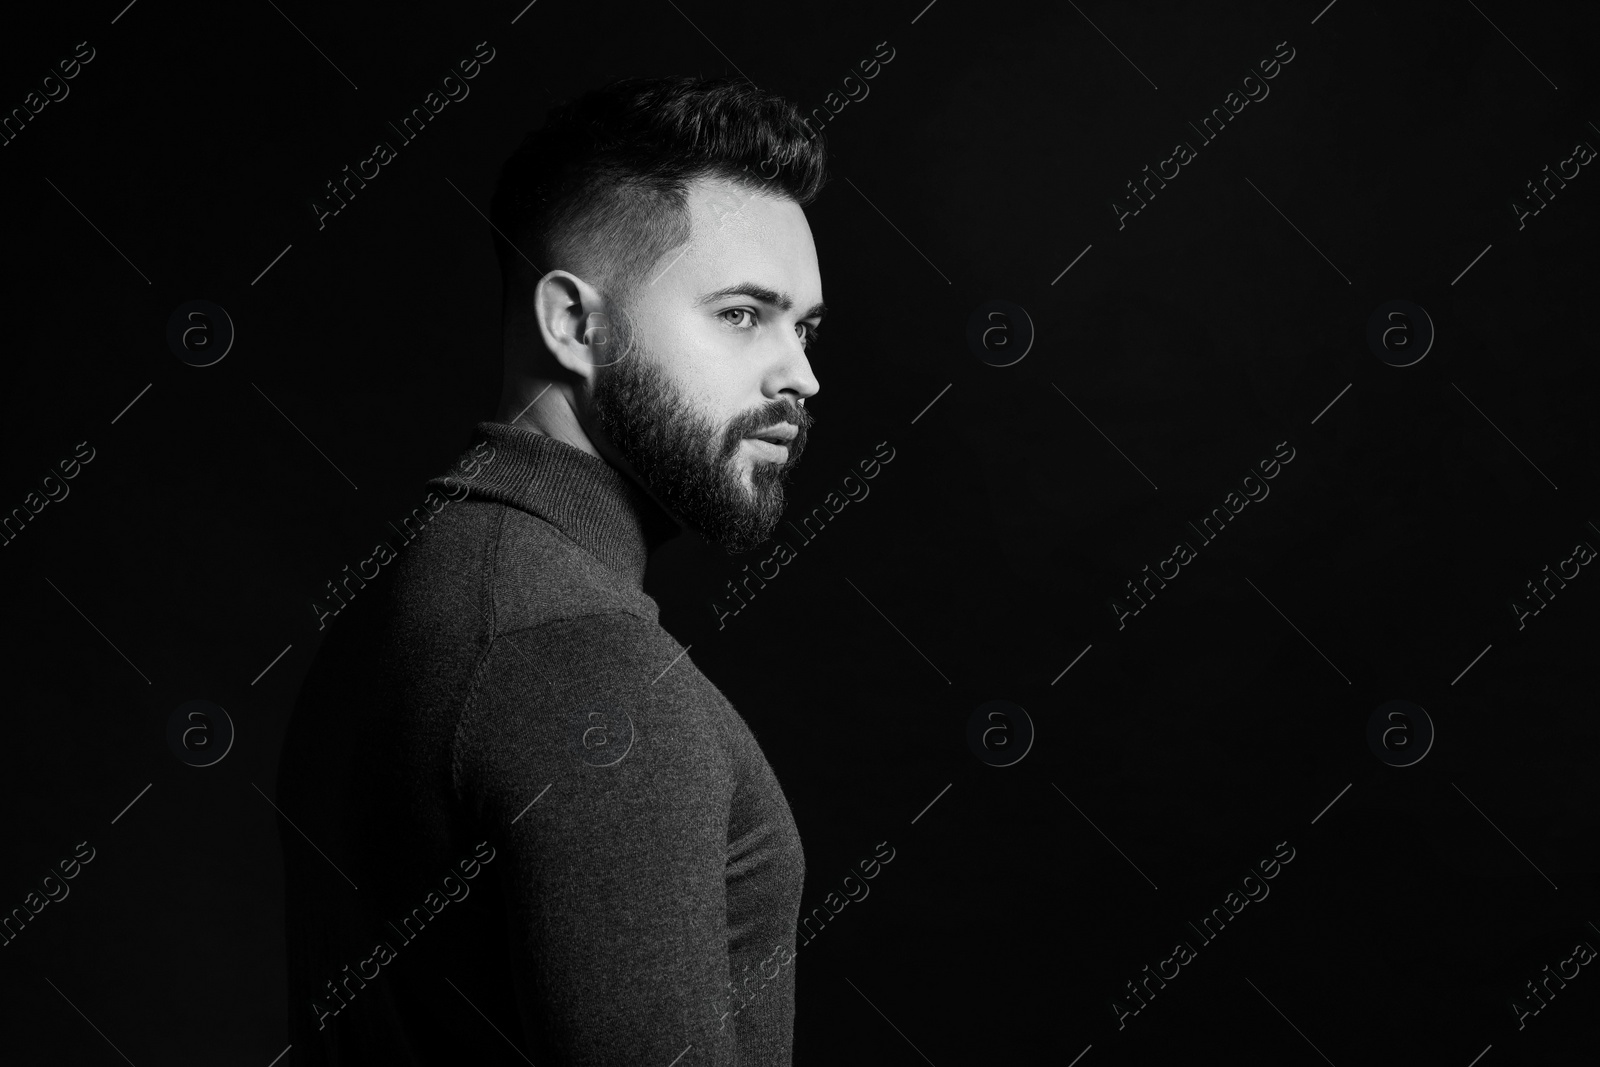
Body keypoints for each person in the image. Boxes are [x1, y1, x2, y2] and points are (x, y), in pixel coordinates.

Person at [275, 74, 828, 1065]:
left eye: (806, 327)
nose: (799, 373)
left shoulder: (418, 594)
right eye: (744, 314)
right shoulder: (581, 662)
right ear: (573, 324)